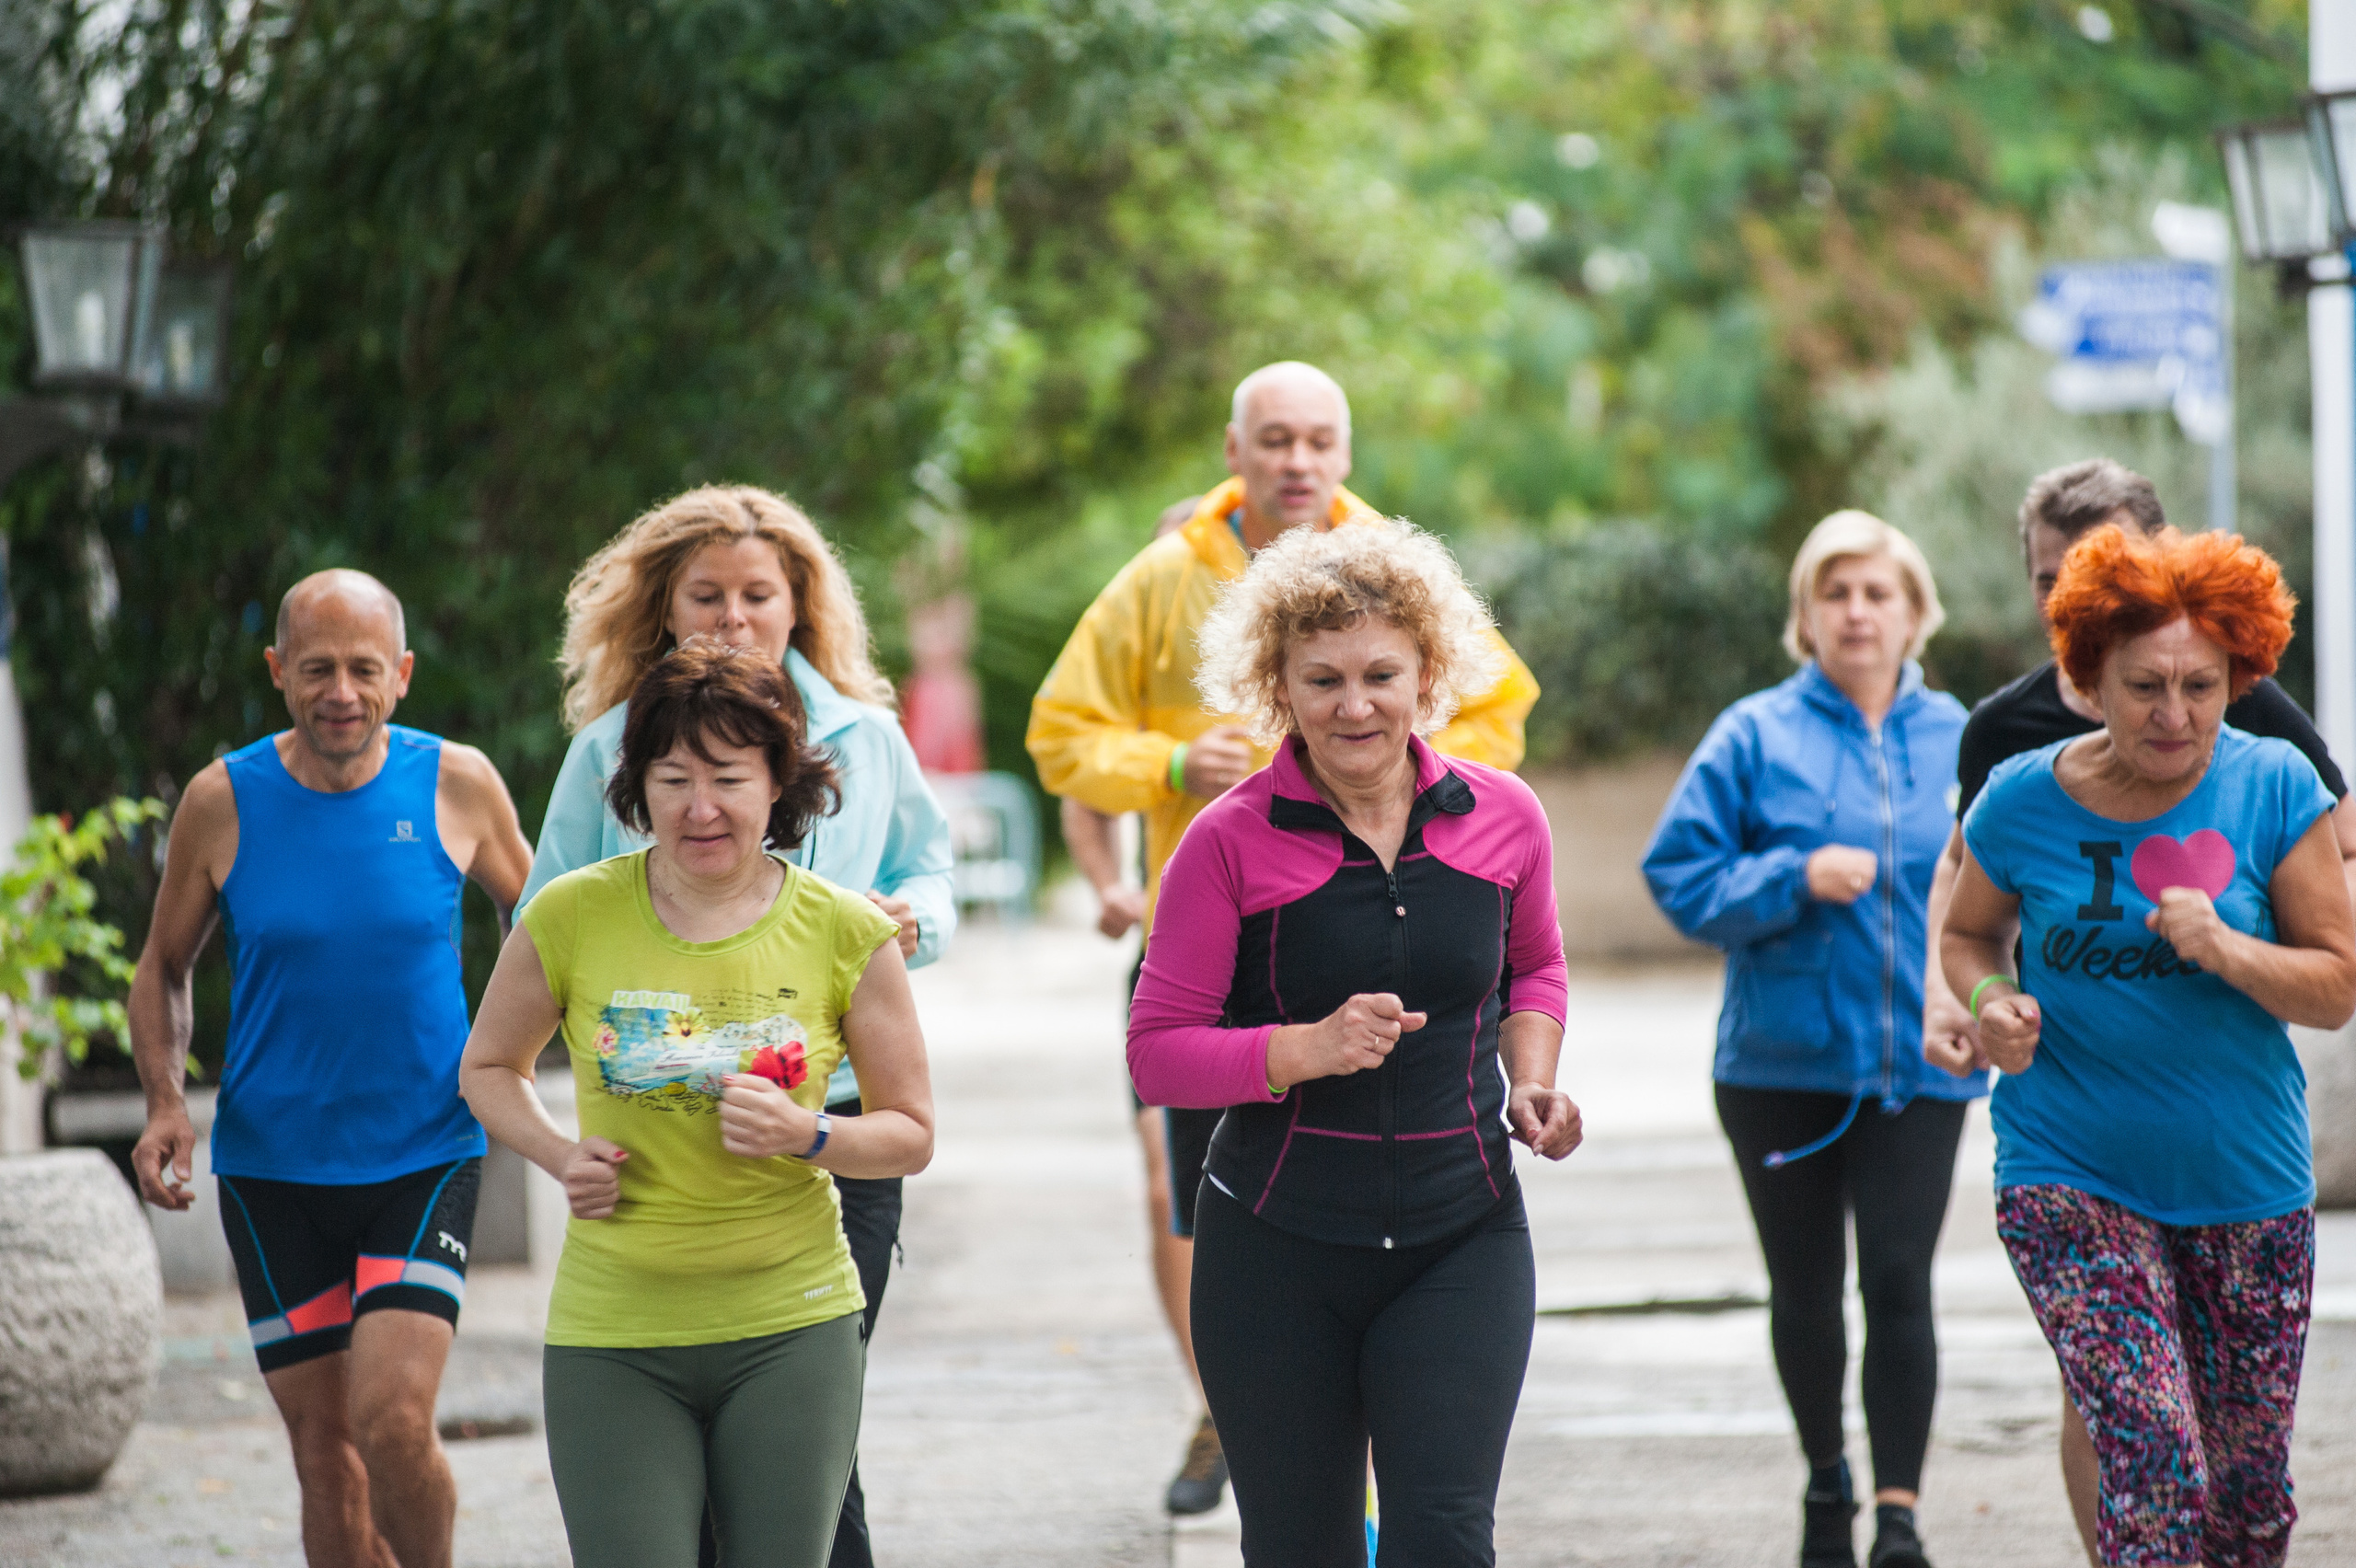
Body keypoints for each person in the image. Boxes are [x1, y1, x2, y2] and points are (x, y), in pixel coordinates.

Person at [1030, 360, 1541, 1514]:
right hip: (1217, 947)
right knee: (1187, 1184)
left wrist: (1428, 808)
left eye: (1318, 440)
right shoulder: (1162, 580)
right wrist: (1166, 765)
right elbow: (1060, 733)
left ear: (1344, 453)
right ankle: (1226, 1398)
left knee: (1441, 1517)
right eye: (1275, 440)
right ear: (1235, 450)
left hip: (1425, 996)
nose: (1297, 461)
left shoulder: (1405, 573)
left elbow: (1502, 714)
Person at [1919, 458, 2356, 1557]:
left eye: (2200, 687)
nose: (2173, 715)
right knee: (2153, 1454)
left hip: (2243, 1178)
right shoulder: (2019, 795)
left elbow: (2338, 984)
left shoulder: (2273, 786)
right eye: (2144, 688)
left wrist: (2227, 948)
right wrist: (1990, 1002)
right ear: (2089, 678)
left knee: (2249, 1499)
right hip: (2068, 1171)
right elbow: (1965, 932)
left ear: (2234, 677)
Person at [1128, 519, 1579, 1566]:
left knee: (1445, 1540)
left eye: (1381, 673)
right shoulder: (1228, 839)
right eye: (1321, 679)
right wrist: (1298, 1050)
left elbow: (1536, 969)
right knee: (1299, 1549)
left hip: (1462, 1235)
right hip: (1273, 1253)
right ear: (1277, 687)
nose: (1354, 704)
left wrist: (1535, 1082)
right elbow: (1157, 1051)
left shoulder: (1504, 817)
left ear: (1429, 674)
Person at [522, 484, 954, 1568]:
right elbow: (553, 914)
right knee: (691, 1455)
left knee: (808, 1428)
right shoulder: (609, 747)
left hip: (833, 1122)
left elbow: (927, 870)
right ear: (662, 610)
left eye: (757, 594)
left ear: (798, 607)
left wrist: (914, 926)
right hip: (659, 1134)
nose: (731, 616)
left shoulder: (865, 733)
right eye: (704, 595)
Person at [126, 569, 534, 1568]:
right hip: (274, 1174)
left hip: (422, 1152)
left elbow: (543, 927)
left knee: (391, 1421)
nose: (340, 692)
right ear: (278, 673)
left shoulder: (458, 783)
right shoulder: (223, 801)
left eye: (361, 669)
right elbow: (162, 965)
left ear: (399, 675)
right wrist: (166, 1104)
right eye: (316, 669)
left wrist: (514, 1059)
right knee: (327, 1455)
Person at [1643, 512, 1970, 1568]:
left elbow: (2007, 894)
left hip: (1921, 1066)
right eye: (1836, 593)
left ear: (1917, 613)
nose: (1858, 611)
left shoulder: (1965, 740)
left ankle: (1901, 1515)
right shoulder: (1752, 735)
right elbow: (1677, 877)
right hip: (1775, 1071)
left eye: (1879, 593)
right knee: (1806, 1291)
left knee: (1898, 1280)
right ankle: (1826, 1480)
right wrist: (1791, 879)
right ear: (1805, 616)